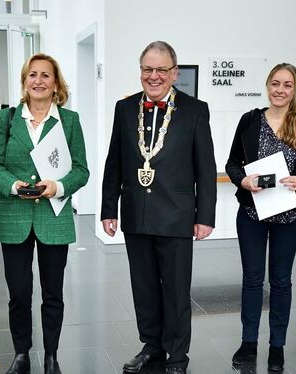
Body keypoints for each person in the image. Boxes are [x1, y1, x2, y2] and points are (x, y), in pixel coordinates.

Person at [101, 41, 217, 374]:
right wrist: (110, 209)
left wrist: (205, 216)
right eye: (147, 69)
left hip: (178, 216)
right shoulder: (124, 109)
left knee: (177, 290)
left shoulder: (195, 110)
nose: (154, 76)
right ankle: (152, 347)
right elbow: (114, 162)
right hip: (136, 214)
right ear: (141, 71)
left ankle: (177, 357)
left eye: (161, 70)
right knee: (144, 287)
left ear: (174, 73)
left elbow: (205, 167)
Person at [0, 53, 89, 374]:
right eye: (33, 75)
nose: (39, 81)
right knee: (19, 293)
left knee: (53, 293)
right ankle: (21, 354)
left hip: (53, 218)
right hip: (14, 216)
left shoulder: (69, 120)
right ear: (24, 81)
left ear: (55, 83)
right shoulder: (7, 119)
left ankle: (52, 355)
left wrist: (57, 186)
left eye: (45, 75)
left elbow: (81, 171)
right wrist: (13, 185)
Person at [225, 63, 296, 371]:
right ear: (268, 85)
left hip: (289, 217)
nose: (280, 90)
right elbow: (232, 163)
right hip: (252, 212)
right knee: (252, 281)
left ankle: (276, 345)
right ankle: (248, 342)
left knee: (281, 282)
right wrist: (243, 180)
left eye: (287, 85)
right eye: (275, 83)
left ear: (295, 90)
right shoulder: (250, 120)